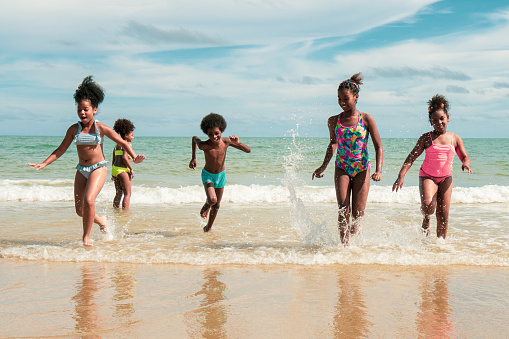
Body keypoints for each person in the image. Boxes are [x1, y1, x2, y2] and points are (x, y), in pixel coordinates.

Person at [28, 76, 145, 247]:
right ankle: (102, 221)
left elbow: (122, 142)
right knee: (80, 210)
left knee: (89, 201)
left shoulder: (101, 128)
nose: (82, 112)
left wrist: (134, 157)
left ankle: (86, 237)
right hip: (81, 169)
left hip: (98, 168)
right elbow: (60, 150)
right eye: (79, 110)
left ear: (94, 109)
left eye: (86, 109)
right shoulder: (73, 129)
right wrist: (44, 163)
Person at [312, 73, 383, 245]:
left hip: (362, 169)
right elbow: (333, 144)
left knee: (358, 213)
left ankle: (355, 243)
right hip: (342, 167)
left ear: (356, 97)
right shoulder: (334, 121)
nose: (342, 102)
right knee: (343, 209)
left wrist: (379, 171)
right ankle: (345, 246)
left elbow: (378, 146)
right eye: (339, 99)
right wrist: (323, 166)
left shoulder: (366, 119)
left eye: (346, 99)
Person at [392, 94, 471, 239]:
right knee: (429, 207)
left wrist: (466, 164)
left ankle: (440, 243)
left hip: (446, 178)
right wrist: (401, 176)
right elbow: (411, 158)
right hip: (427, 176)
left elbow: (464, 156)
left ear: (448, 118)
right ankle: (426, 218)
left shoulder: (455, 138)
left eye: (442, 119)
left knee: (443, 213)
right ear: (430, 122)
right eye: (435, 120)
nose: (439, 122)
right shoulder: (426, 138)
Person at [189, 113, 251, 232]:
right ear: (206, 133)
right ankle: (206, 205)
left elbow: (248, 150)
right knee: (212, 200)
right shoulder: (204, 145)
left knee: (217, 205)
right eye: (210, 134)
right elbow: (194, 138)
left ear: (221, 131)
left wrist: (238, 143)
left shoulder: (226, 142)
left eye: (216, 133)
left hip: (221, 175)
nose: (214, 137)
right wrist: (193, 157)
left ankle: (208, 227)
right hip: (208, 175)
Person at [111, 118, 136, 210]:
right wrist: (131, 169)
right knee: (127, 193)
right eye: (132, 135)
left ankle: (115, 210)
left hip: (115, 169)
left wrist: (113, 173)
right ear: (126, 135)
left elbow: (113, 159)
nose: (133, 137)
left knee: (118, 193)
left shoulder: (117, 145)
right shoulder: (127, 144)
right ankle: (125, 213)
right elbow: (125, 158)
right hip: (123, 170)